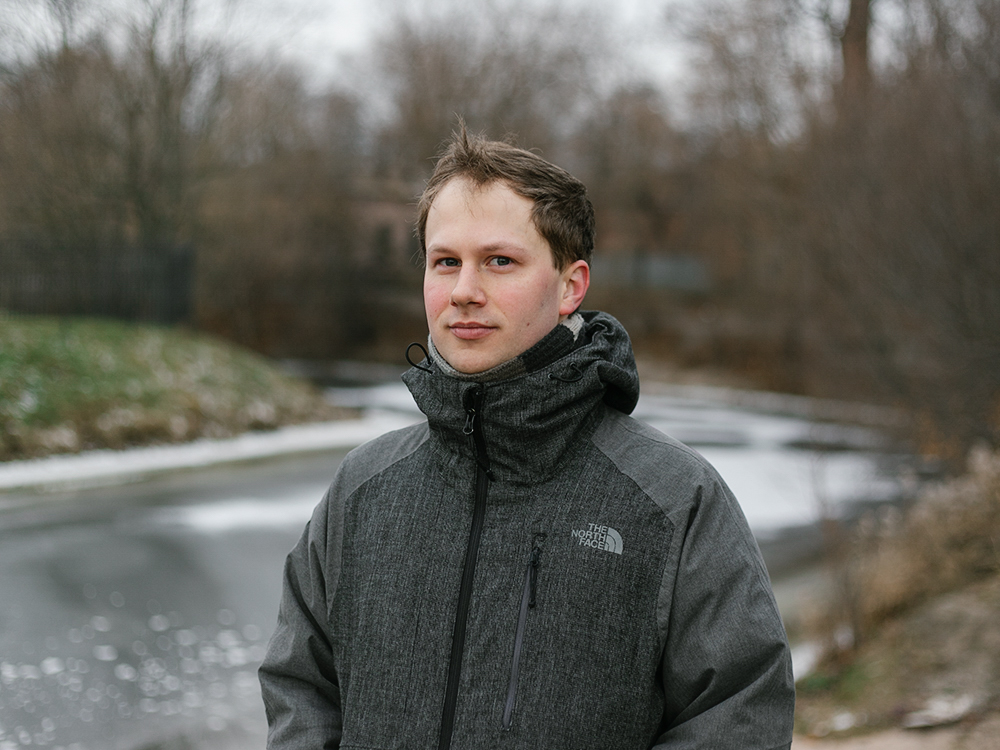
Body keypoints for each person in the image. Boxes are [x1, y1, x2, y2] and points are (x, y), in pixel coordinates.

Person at [258, 128, 795, 749]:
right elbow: (301, 689)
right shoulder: (363, 489)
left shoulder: (673, 499)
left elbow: (738, 714)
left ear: (571, 285)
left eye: (500, 261)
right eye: (446, 261)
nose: (464, 291)